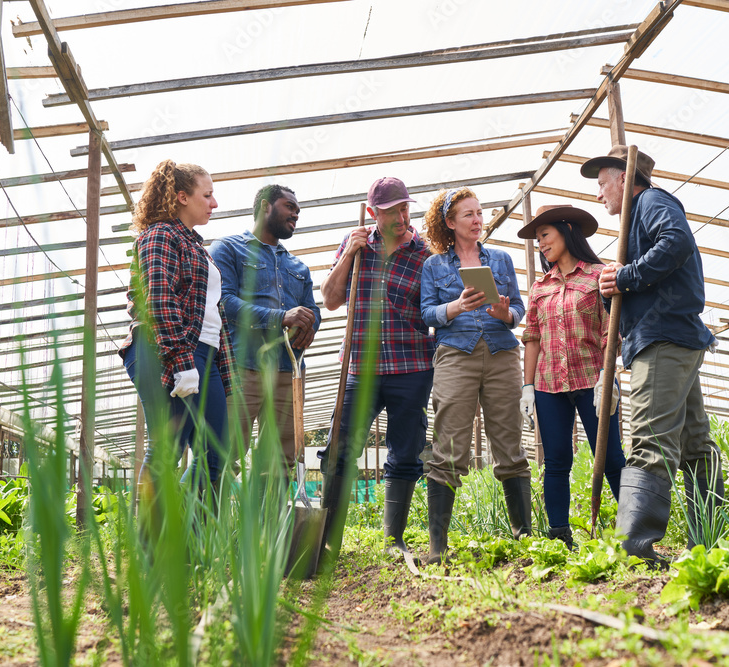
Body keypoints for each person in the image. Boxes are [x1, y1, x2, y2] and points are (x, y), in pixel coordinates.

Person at [580, 145, 724, 567]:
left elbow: (676, 242)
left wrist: (624, 276)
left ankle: (634, 546)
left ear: (624, 179)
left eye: (603, 182)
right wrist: (614, 288)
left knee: (650, 438)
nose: (599, 192)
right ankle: (710, 540)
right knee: (695, 445)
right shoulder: (636, 216)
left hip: (662, 339)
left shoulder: (651, 201)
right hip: (673, 337)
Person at [318, 176, 435, 559]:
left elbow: (435, 308)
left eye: (405, 208)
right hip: (360, 368)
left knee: (405, 452)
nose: (402, 217)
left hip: (412, 365)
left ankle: (392, 539)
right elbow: (332, 300)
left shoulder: (425, 252)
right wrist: (349, 255)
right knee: (340, 448)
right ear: (373, 213)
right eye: (391, 211)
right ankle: (326, 538)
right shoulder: (355, 245)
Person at [420, 187, 530, 565]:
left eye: (480, 213)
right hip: (456, 354)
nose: (477, 220)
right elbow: (427, 314)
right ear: (450, 223)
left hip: (501, 352)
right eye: (468, 215)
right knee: (449, 444)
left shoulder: (501, 259)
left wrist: (506, 314)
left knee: (510, 442)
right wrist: (455, 306)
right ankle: (437, 547)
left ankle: (525, 539)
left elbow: (518, 306)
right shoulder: (434, 266)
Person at [119, 159, 236, 499]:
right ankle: (149, 546)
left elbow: (213, 314)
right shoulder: (160, 236)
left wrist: (224, 374)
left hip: (203, 352)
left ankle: (191, 540)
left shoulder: (197, 246)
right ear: (182, 197)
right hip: (166, 349)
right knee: (167, 447)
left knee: (216, 453)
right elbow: (157, 298)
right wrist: (180, 360)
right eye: (208, 195)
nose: (214, 203)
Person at [517, 205, 626, 551]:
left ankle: (634, 532)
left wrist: (608, 377)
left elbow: (613, 331)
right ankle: (560, 536)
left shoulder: (598, 276)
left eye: (545, 235)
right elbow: (532, 337)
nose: (541, 245)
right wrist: (527, 386)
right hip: (549, 386)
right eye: (537, 240)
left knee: (610, 457)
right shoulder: (539, 288)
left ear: (566, 231)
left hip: (593, 380)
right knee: (557, 460)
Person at [210, 184, 320, 469]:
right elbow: (224, 302)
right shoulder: (229, 248)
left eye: (298, 210)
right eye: (289, 207)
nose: (296, 214)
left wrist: (310, 324)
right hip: (243, 367)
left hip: (289, 371)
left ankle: (271, 516)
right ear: (265, 207)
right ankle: (205, 514)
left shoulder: (298, 266)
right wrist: (282, 317)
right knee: (224, 450)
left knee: (281, 458)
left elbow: (313, 310)